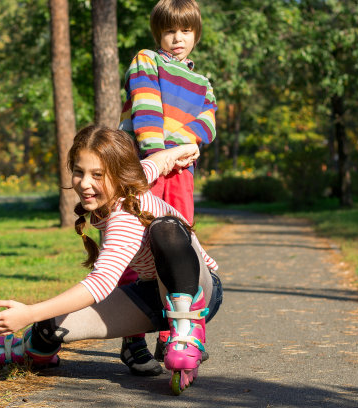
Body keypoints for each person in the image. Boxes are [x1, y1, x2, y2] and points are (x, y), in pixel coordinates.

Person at [0, 125, 222, 395]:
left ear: (118, 175)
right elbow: (155, 164)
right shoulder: (129, 180)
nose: (85, 183)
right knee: (49, 324)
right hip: (153, 295)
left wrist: (28, 312)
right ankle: (31, 350)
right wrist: (181, 151)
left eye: (97, 175)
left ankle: (186, 332)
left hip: (199, 288)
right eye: (79, 172)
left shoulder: (124, 218)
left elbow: (101, 283)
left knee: (166, 229)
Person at [117, 0, 218, 375]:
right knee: (135, 243)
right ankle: (132, 340)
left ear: (196, 34)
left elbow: (206, 124)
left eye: (186, 31)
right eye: (170, 31)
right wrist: (158, 157)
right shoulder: (148, 61)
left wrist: (186, 146)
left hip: (181, 175)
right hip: (144, 167)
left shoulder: (203, 83)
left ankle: (173, 331)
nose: (178, 38)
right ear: (158, 33)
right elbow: (146, 112)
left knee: (178, 244)